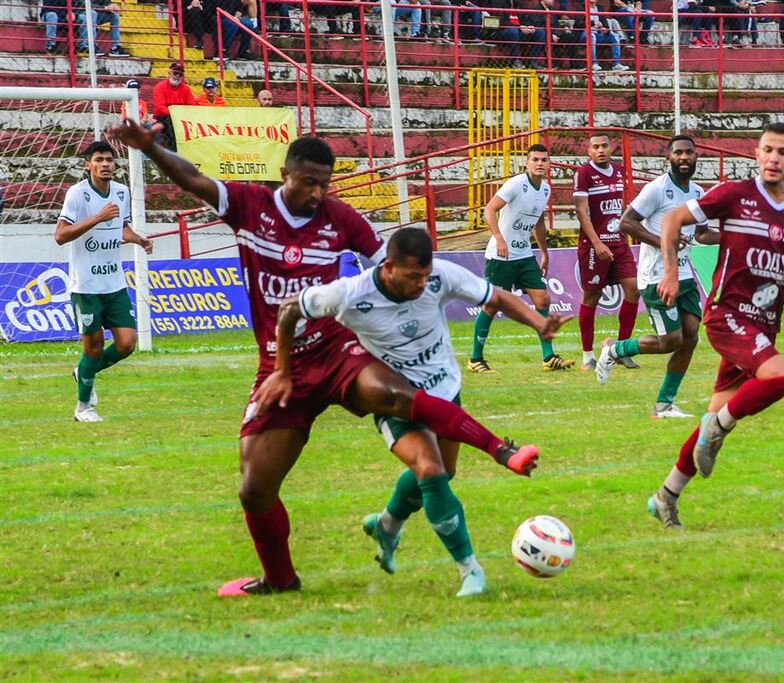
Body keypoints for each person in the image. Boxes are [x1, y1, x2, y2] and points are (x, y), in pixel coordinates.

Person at [106, 123, 543, 596]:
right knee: (254, 487)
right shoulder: (250, 205)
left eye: (324, 184)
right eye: (307, 182)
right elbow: (193, 179)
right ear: (284, 174)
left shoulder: (341, 218)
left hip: (338, 350)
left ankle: (500, 448)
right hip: (281, 363)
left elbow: (390, 269)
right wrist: (152, 148)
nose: (316, 193)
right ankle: (280, 578)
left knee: (395, 394)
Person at [269, 228, 569, 596]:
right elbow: (288, 311)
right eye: (413, 277)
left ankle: (388, 524)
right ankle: (469, 570)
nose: (421, 285)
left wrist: (539, 323)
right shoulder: (350, 294)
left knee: (445, 472)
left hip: (446, 390)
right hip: (394, 399)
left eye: (425, 277)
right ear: (389, 267)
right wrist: (282, 370)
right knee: (430, 471)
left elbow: (498, 296)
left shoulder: (441, 276)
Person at [646, 122, 784, 529]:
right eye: (767, 150)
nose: (773, 159)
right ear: (756, 154)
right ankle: (719, 425)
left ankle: (666, 495)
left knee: (713, 414)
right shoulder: (735, 195)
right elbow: (673, 220)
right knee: (780, 379)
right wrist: (671, 272)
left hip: (764, 325)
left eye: (782, 152)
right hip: (727, 316)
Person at [598, 135, 719, 419]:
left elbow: (701, 233)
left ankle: (665, 404)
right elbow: (625, 222)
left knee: (690, 337)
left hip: (685, 273)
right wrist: (661, 240)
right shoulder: (657, 189)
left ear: (696, 156)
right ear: (669, 158)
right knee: (671, 341)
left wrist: (734, 236)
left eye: (689, 152)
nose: (684, 157)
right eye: (678, 153)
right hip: (656, 276)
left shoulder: (698, 192)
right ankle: (615, 350)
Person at [54, 141, 153, 422]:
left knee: (127, 344)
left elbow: (120, 229)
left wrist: (138, 239)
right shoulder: (77, 194)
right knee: (93, 348)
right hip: (85, 286)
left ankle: (84, 371)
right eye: (99, 159)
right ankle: (83, 407)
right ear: (88, 165)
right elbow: (60, 235)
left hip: (114, 283)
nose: (106, 164)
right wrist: (97, 217)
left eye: (109, 159)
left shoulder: (121, 193)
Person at [469, 144, 576, 372]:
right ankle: (475, 359)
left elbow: (538, 221)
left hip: (524, 254)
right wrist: (498, 238)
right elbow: (489, 209)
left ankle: (548, 357)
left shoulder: (545, 189)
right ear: (526, 163)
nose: (539, 163)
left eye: (544, 160)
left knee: (542, 300)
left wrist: (544, 252)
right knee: (492, 305)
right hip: (501, 256)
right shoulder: (516, 184)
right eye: (535, 159)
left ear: (549, 164)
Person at [573, 134, 640, 371]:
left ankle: (620, 350)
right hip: (594, 245)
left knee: (633, 289)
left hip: (619, 243)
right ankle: (587, 355)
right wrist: (597, 243)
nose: (600, 150)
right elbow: (582, 212)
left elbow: (623, 207)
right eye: (595, 147)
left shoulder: (620, 170)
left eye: (604, 146)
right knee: (592, 296)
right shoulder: (584, 174)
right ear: (588, 151)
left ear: (611, 148)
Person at [151, 62, 197, 152]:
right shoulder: (160, 87)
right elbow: (160, 107)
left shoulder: (186, 89)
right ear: (169, 73)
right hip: (164, 116)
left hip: (181, 116)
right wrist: (175, 113)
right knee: (171, 122)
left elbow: (192, 105)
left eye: (180, 74)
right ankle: (175, 151)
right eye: (175, 73)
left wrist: (181, 114)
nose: (177, 76)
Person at [581, 0, 629, 70]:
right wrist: (593, 23)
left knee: (614, 35)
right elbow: (578, 23)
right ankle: (593, 64)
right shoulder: (582, 8)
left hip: (598, 34)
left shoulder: (600, 8)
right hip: (585, 34)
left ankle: (616, 64)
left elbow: (605, 24)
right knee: (591, 35)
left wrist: (604, 29)